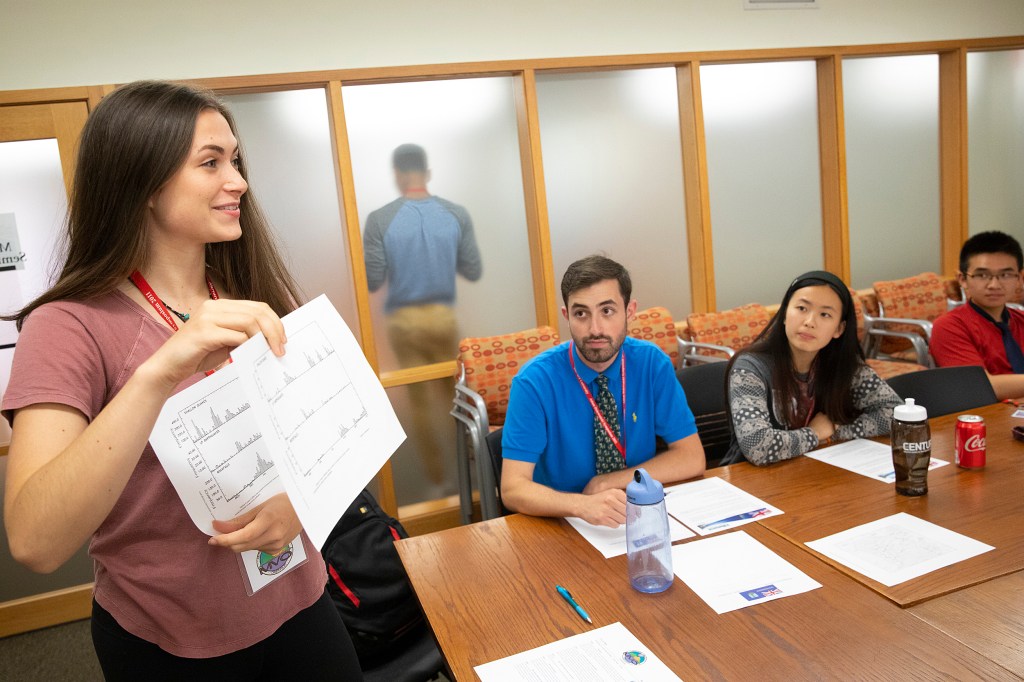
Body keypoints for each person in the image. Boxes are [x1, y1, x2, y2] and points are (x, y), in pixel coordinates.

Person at [1, 81, 362, 679]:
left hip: (298, 601)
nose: (239, 181)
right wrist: (163, 368)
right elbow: (35, 541)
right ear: (141, 183)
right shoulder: (67, 326)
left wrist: (300, 501)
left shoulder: (256, 295)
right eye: (211, 162)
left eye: (236, 160)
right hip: (169, 638)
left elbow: (326, 443)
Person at [500, 255, 705, 528]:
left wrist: (608, 482)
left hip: (634, 514)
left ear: (629, 311)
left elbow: (692, 457)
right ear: (567, 316)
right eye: (581, 313)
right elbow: (513, 488)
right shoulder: (534, 382)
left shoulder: (651, 364)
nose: (595, 329)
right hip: (561, 521)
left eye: (607, 311)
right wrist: (581, 505)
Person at [362, 143, 482, 485]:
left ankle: (436, 479)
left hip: (403, 321)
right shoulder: (455, 214)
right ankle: (471, 473)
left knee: (419, 404)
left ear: (397, 176)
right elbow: (472, 270)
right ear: (427, 174)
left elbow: (372, 279)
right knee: (458, 396)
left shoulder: (380, 219)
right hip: (443, 316)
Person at [724, 270, 901, 467]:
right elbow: (758, 446)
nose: (809, 322)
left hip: (816, 471)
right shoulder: (750, 368)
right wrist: (815, 433)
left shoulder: (844, 365)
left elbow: (896, 413)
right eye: (801, 308)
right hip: (755, 480)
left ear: (838, 329)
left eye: (825, 314)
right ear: (783, 315)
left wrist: (834, 430)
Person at [931, 230, 1024, 400]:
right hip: (989, 417)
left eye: (1005, 275)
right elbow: (981, 386)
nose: (994, 285)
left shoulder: (1020, 319)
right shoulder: (949, 326)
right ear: (962, 279)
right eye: (982, 275)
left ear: (1019, 278)